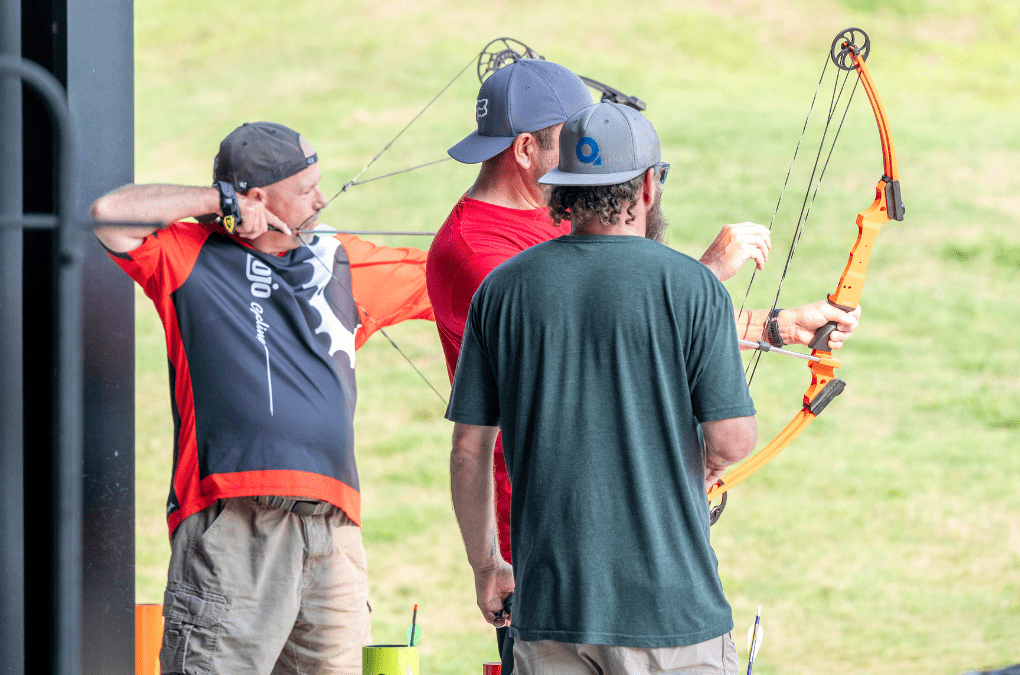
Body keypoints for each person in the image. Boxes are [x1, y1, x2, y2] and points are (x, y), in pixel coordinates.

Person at [426, 59, 860, 671]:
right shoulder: (482, 255)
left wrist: (774, 325)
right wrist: (702, 279)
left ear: (565, 183)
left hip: (555, 592)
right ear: (647, 186)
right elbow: (632, 334)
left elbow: (618, 315)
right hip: (625, 582)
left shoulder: (510, 282)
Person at [92, 121, 434, 675]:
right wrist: (214, 202)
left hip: (334, 534)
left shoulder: (341, 260)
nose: (322, 198)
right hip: (235, 523)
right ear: (256, 199)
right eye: (305, 189)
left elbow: (457, 280)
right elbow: (110, 216)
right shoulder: (187, 256)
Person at [448, 101, 760, 675]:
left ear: (561, 189)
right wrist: (705, 459)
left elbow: (469, 448)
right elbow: (733, 440)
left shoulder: (501, 290)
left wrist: (487, 565)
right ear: (647, 186)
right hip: (672, 616)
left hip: (550, 614)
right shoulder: (694, 287)